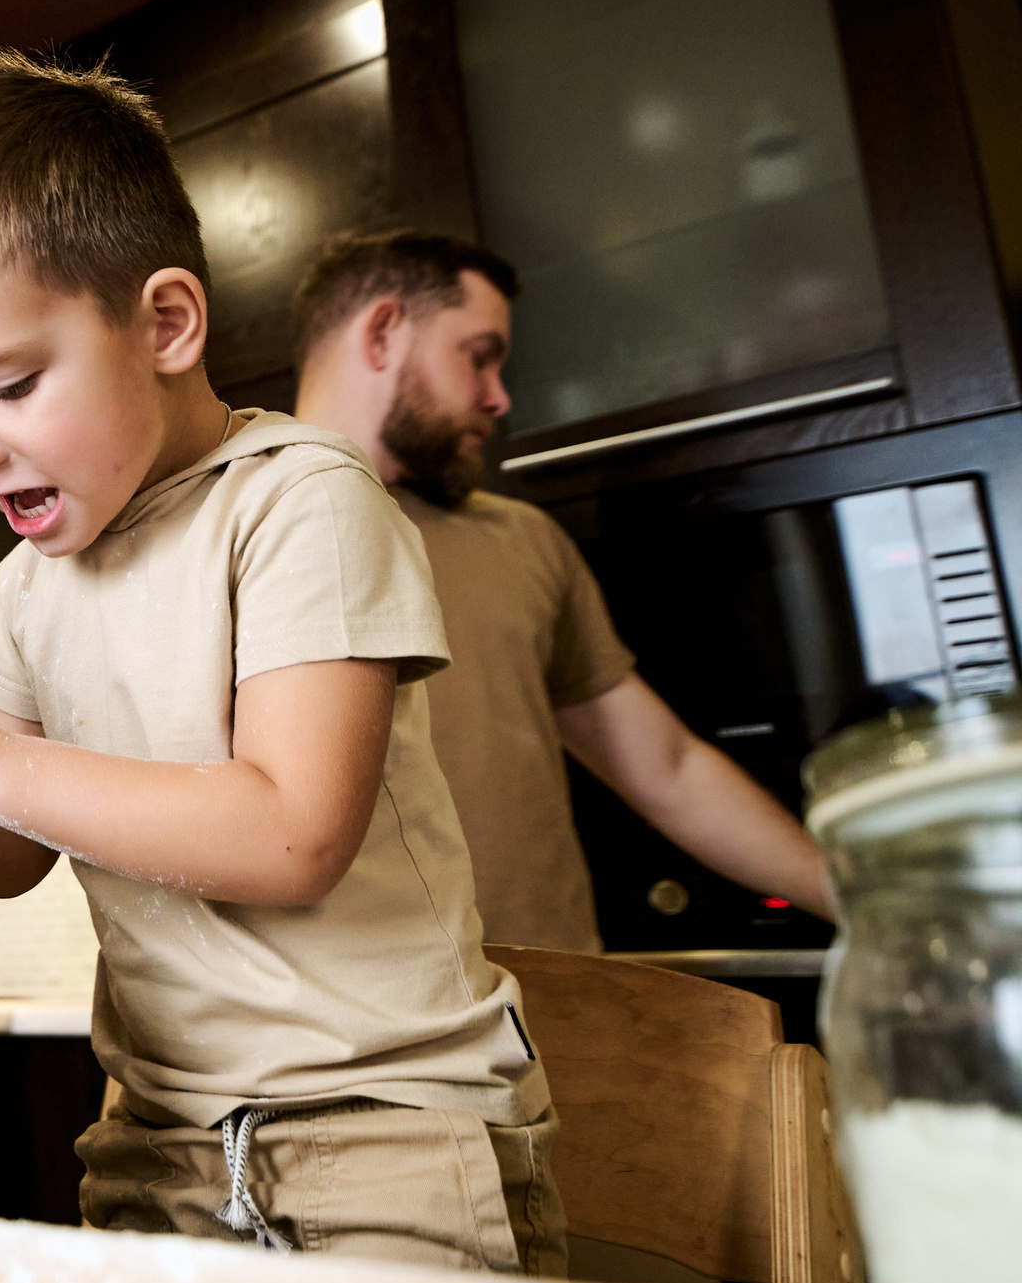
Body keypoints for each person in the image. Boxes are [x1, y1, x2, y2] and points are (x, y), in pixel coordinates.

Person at [0, 52, 562, 1275]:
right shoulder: (33, 580)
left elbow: (291, 834)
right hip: (154, 1148)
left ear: (164, 321)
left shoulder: (302, 500)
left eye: (5, 384)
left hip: (384, 1144)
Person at [287, 230, 832, 953]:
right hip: (354, 1047)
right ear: (384, 331)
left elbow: (668, 769)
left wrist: (864, 901)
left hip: (563, 1021)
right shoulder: (226, 532)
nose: (498, 396)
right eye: (477, 356)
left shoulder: (523, 539)